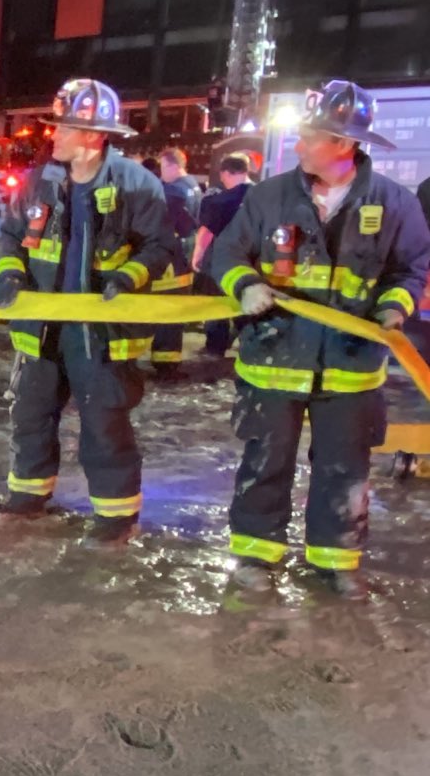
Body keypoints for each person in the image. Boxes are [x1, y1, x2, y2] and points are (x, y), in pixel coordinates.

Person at [211, 79, 430, 597]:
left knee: (344, 468)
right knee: (265, 462)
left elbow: (411, 270)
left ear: (344, 143)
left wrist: (393, 309)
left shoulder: (394, 203)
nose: (299, 144)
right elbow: (226, 254)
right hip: (273, 357)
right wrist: (246, 286)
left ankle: (337, 562)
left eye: (311, 136)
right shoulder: (268, 196)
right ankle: (255, 556)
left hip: (351, 366)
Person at [0, 78, 175, 543]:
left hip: (101, 331)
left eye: (64, 128)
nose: (54, 135)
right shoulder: (40, 181)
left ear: (93, 135)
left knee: (104, 424)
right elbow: (11, 236)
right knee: (30, 415)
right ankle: (27, 498)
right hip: (44, 328)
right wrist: (10, 274)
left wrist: (126, 277)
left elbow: (159, 247)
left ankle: (116, 520)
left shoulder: (136, 184)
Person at [192, 154, 254, 360]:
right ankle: (249, 347)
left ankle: (215, 348)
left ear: (225, 173)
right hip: (252, 261)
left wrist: (198, 254)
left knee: (216, 303)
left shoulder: (220, 200)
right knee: (248, 302)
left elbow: (207, 231)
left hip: (221, 261)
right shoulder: (262, 197)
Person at [149, 147, 203, 373]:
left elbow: (160, 224)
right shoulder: (192, 185)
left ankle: (165, 362)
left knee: (166, 308)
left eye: (162, 167)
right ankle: (170, 359)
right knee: (177, 308)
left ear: (173, 165)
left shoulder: (171, 192)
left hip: (173, 256)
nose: (161, 173)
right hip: (187, 252)